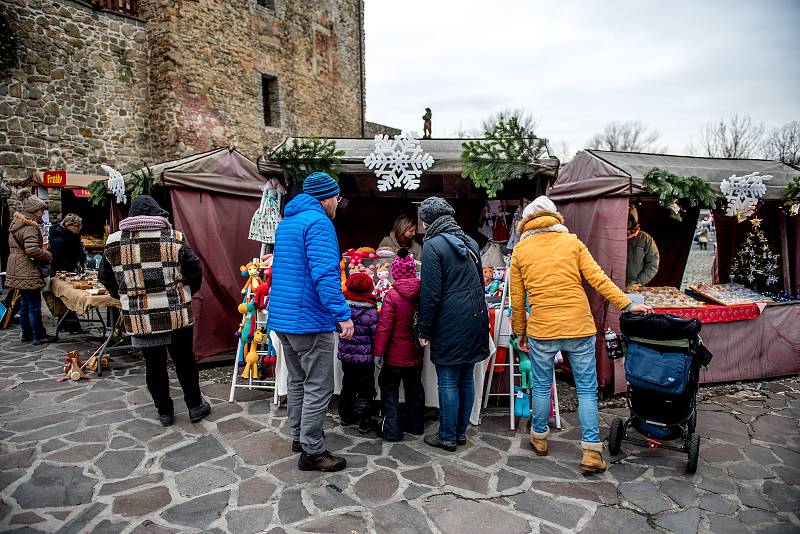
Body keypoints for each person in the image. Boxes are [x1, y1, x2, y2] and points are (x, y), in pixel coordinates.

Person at [509, 196, 652, 473]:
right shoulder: (572, 243)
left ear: (526, 222)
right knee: (586, 389)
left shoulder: (521, 251)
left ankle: (539, 438)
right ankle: (591, 452)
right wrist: (627, 304)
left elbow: (518, 298)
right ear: (555, 217)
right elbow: (598, 278)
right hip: (579, 327)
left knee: (539, 386)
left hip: (542, 328)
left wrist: (520, 333)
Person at [99, 195, 210, 427]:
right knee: (184, 362)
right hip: (176, 312)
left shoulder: (114, 243)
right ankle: (194, 406)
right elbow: (194, 268)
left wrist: (123, 296)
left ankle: (165, 412)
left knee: (154, 365)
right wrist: (188, 291)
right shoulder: (174, 238)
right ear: (157, 214)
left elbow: (105, 277)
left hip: (140, 317)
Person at [268, 171, 353, 472]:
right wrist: (342, 315)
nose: (337, 204)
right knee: (319, 385)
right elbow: (325, 275)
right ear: (327, 197)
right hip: (309, 319)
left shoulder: (288, 222)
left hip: (283, 318)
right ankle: (313, 452)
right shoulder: (319, 223)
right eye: (337, 198)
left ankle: (299, 436)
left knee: (298, 381)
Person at [416, 197, 489, 452]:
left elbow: (431, 294)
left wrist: (424, 329)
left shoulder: (433, 246)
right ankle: (458, 433)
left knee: (447, 380)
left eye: (423, 219)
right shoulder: (469, 241)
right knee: (466, 378)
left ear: (429, 220)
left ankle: (446, 435)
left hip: (450, 319)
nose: (422, 225)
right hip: (475, 316)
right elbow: (480, 284)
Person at [374, 247, 425, 442]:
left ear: (394, 274)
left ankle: (392, 430)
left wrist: (378, 352)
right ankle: (416, 425)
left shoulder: (391, 296)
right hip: (415, 353)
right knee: (415, 389)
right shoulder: (423, 294)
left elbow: (384, 328)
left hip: (394, 356)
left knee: (389, 390)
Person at [6, 190, 52, 345]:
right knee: (34, 305)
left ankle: (27, 333)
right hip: (27, 269)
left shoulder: (16, 224)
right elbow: (31, 250)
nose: (42, 213)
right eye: (41, 210)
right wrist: (48, 255)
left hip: (16, 268)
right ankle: (38, 335)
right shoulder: (30, 227)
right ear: (34, 211)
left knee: (25, 303)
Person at [337, 272, 379, 434]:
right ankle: (365, 420)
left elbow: (336, 327)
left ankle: (345, 415)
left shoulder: (343, 310)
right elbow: (376, 336)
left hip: (346, 356)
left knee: (348, 383)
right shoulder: (372, 312)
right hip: (365, 358)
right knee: (366, 387)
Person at [49, 213, 87, 334]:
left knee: (69, 298)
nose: (79, 228)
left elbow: (78, 252)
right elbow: (56, 258)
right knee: (66, 298)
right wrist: (70, 266)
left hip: (72, 270)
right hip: (61, 271)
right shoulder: (58, 238)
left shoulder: (73, 236)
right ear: (68, 225)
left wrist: (79, 263)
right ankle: (70, 324)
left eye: (80, 225)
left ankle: (69, 324)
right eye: (77, 225)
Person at [626, 205, 660, 287]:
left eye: (630, 230)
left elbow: (653, 264)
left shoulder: (645, 239)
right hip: (613, 285)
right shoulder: (612, 237)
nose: (627, 233)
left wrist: (639, 282)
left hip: (635, 286)